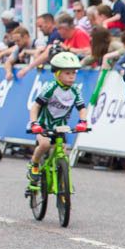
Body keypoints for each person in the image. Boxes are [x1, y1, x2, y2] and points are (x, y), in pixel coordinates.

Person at [25, 52, 89, 188]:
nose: (72, 76)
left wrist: (83, 122)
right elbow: (35, 107)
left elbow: (82, 108)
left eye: (74, 73)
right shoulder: (51, 88)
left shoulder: (75, 90)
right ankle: (34, 164)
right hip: (44, 126)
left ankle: (62, 182)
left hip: (60, 128)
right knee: (44, 145)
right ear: (58, 74)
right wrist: (34, 123)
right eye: (67, 73)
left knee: (63, 153)